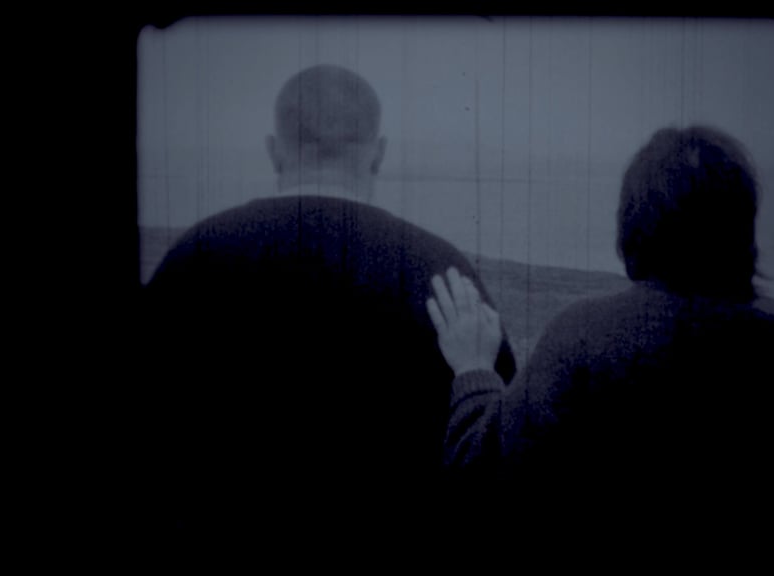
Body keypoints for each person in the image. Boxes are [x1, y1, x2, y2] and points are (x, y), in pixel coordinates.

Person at [143, 64, 516, 535]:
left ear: (274, 151)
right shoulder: (445, 277)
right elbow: (497, 455)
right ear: (379, 153)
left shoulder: (193, 259)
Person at [427, 126, 774, 512]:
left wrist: (474, 369)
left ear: (631, 227)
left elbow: (476, 480)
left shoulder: (582, 336)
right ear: (742, 232)